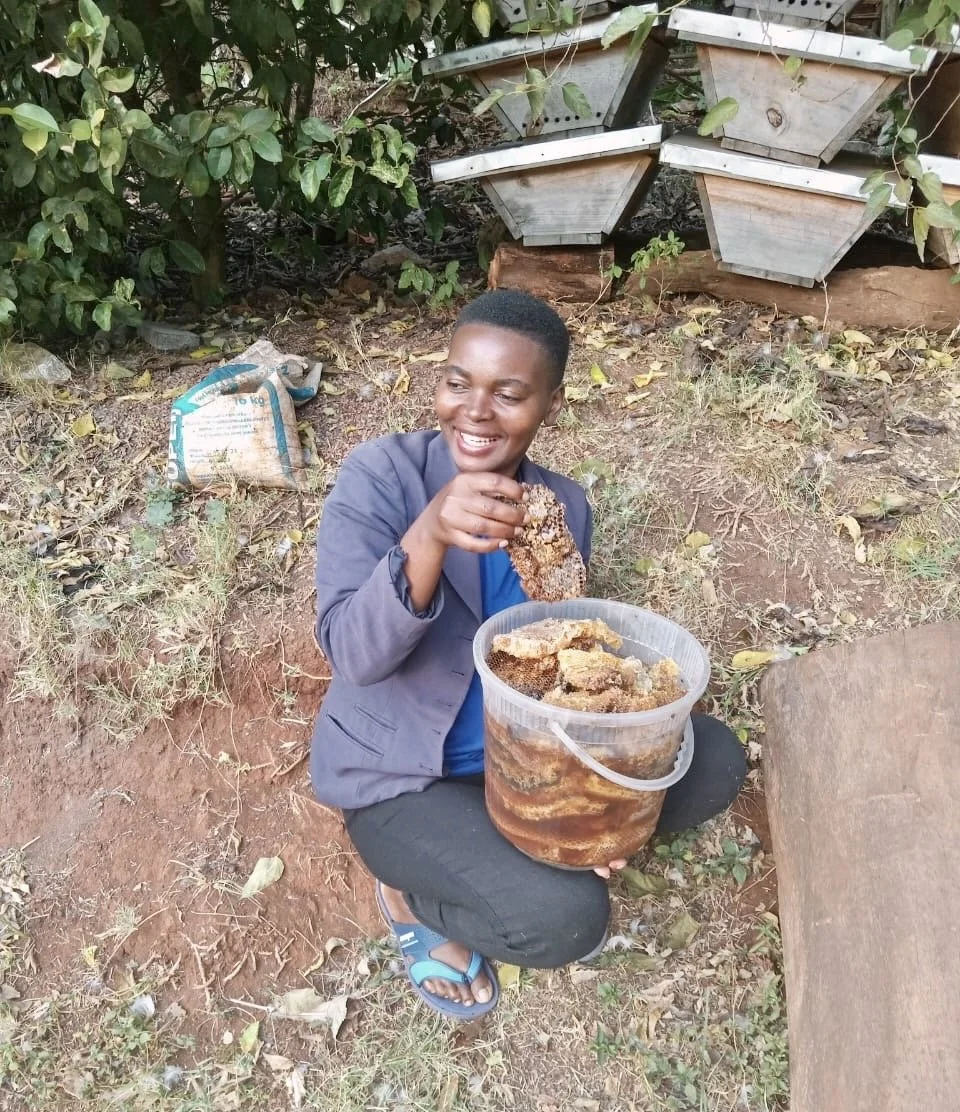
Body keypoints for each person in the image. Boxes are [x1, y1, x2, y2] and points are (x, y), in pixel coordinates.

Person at [311, 290, 746, 1019]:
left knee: (713, 759)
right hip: (405, 779)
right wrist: (431, 532)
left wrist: (592, 802)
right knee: (565, 918)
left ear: (550, 403)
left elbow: (561, 666)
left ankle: (533, 843)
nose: (475, 411)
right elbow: (355, 656)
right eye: (458, 383)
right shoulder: (380, 478)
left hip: (523, 762)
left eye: (509, 394)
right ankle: (409, 896)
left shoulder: (563, 507)